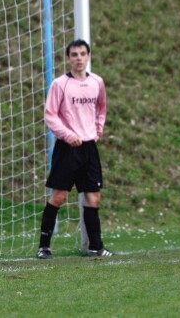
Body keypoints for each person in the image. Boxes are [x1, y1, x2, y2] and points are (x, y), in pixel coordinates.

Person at [37, 39, 109, 259]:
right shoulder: (60, 84)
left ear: (88, 56)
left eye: (82, 54)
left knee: (93, 197)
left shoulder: (97, 82)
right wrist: (68, 135)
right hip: (67, 148)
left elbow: (101, 108)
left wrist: (97, 131)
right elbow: (50, 115)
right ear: (68, 58)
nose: (79, 58)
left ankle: (96, 247)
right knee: (58, 196)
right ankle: (44, 247)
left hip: (88, 147)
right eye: (75, 55)